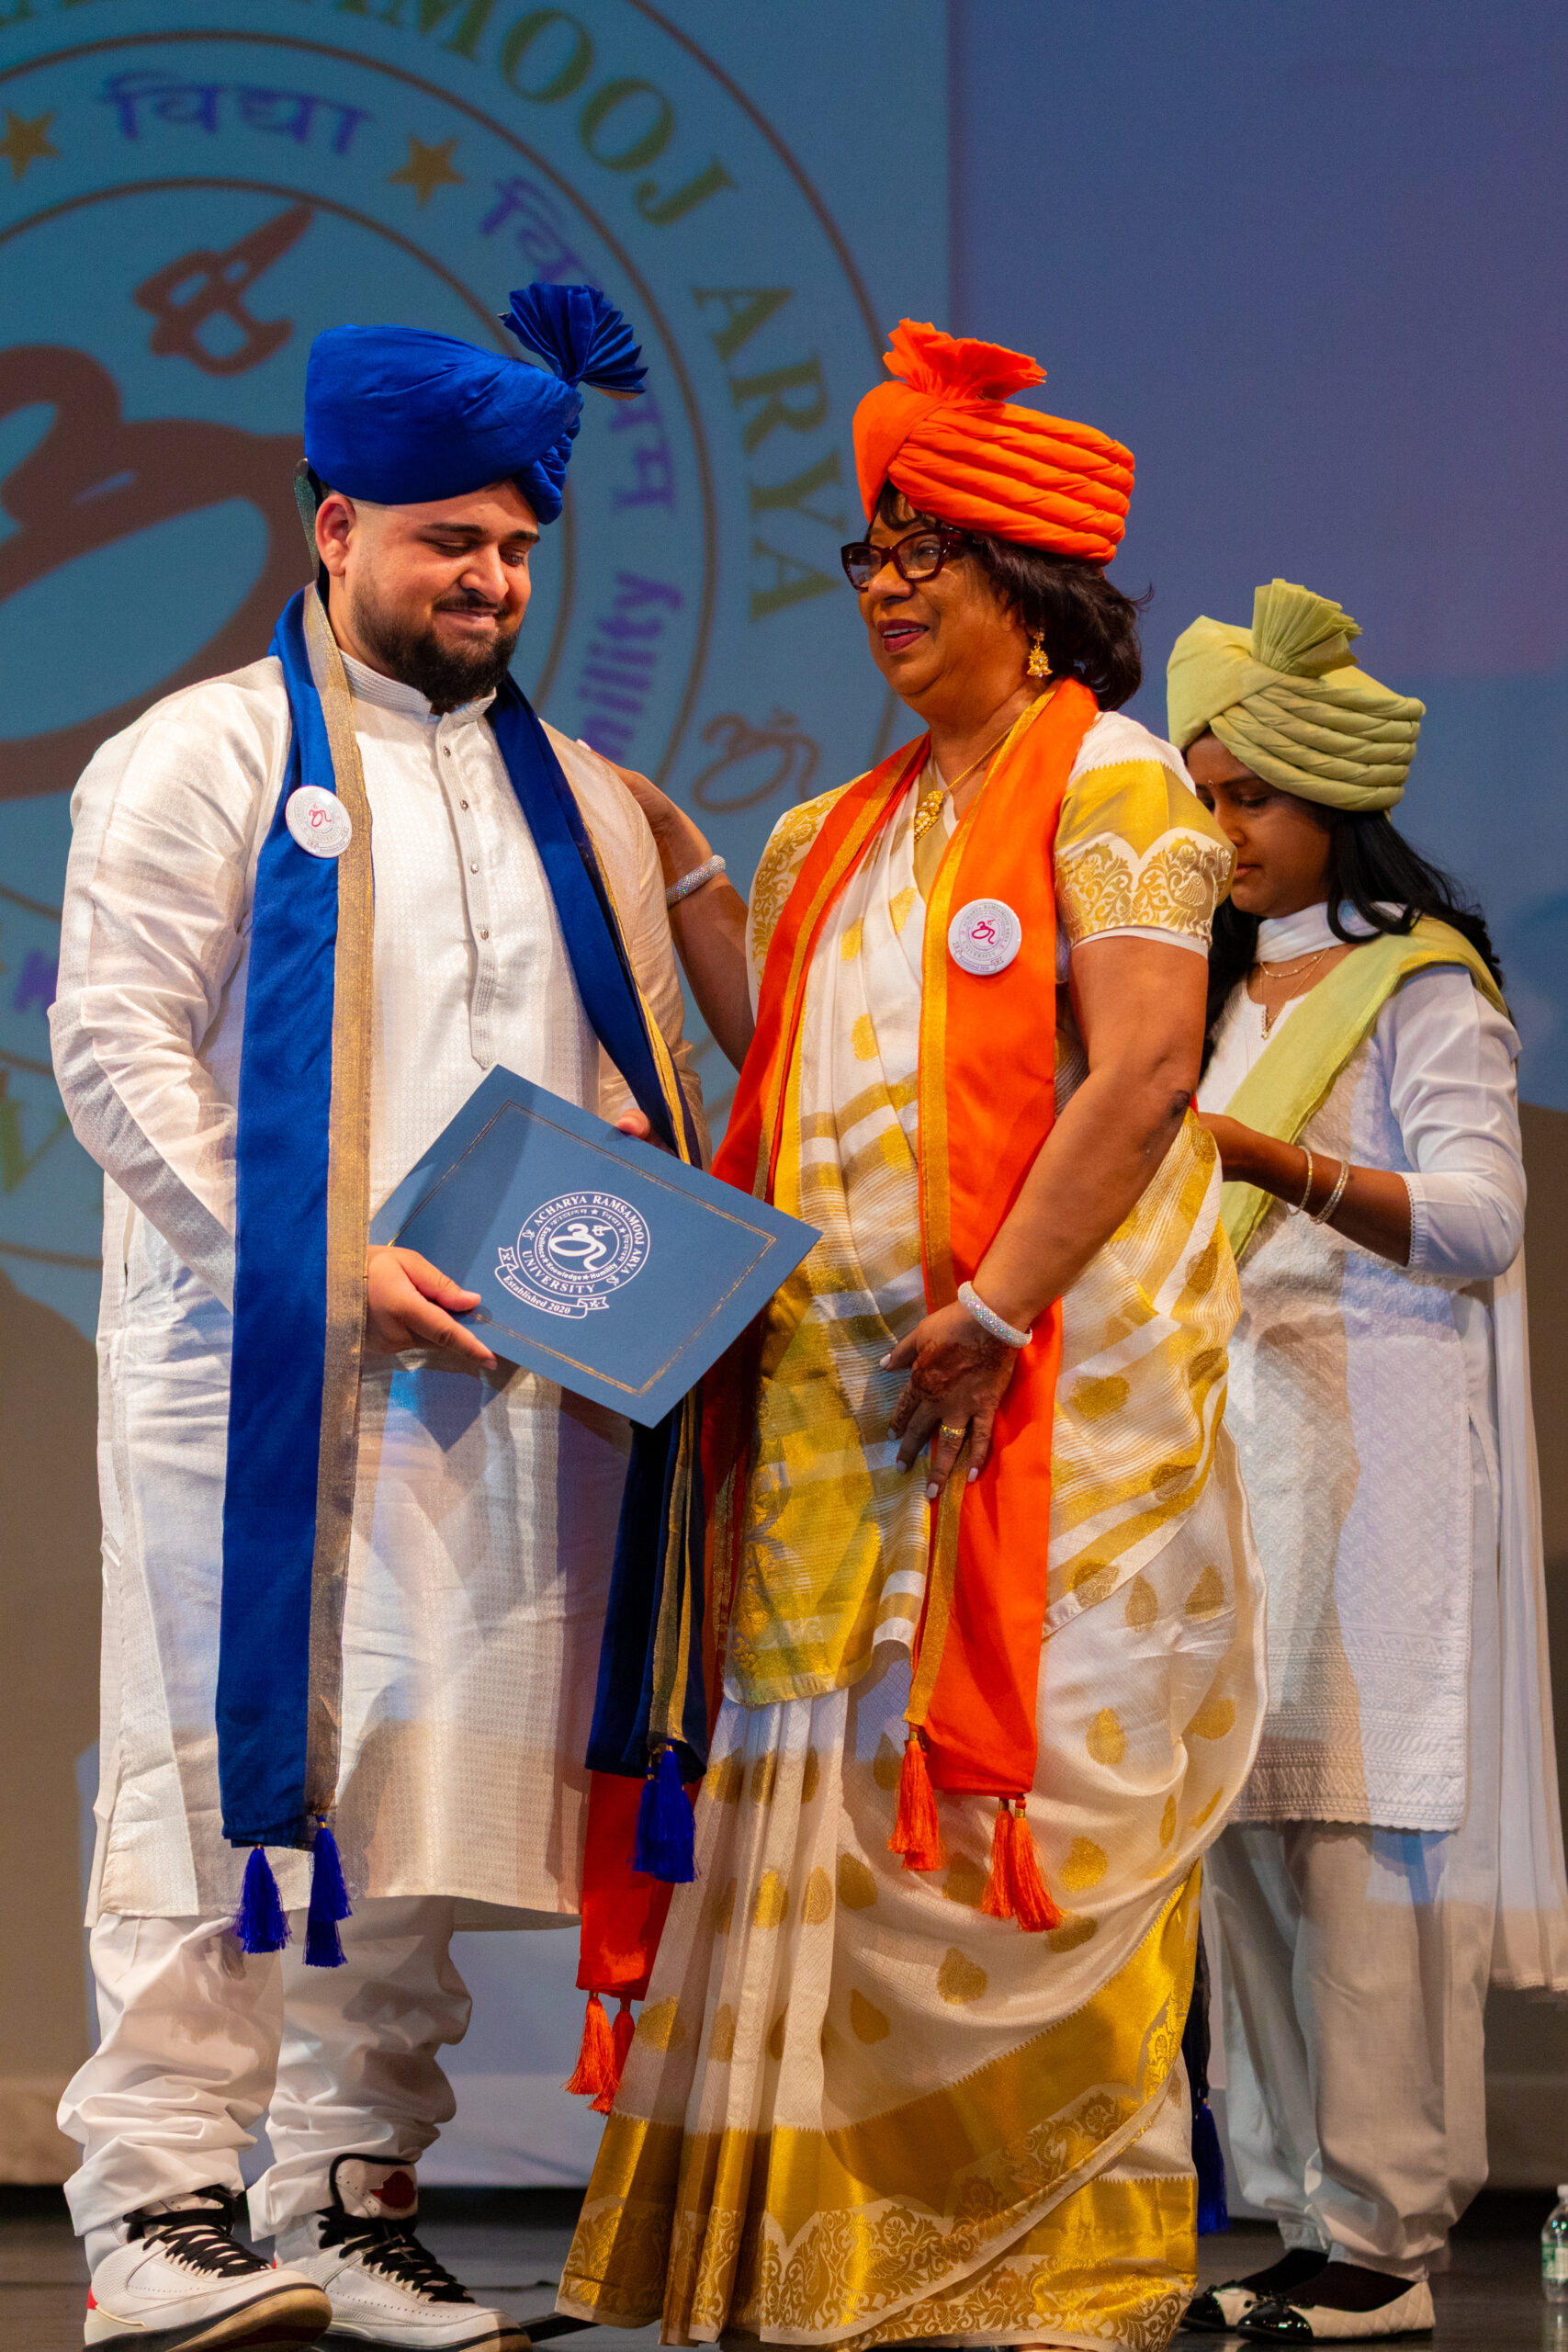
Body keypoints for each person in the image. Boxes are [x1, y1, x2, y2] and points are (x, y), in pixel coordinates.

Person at [557, 321, 1268, 2352]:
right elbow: (792, 1073)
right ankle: (819, 2260)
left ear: (1027, 580)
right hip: (837, 1429)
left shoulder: (1117, 783)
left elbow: (1141, 1073)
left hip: (1041, 1413)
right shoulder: (833, 830)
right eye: (867, 551)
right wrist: (679, 889)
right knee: (831, 1797)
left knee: (997, 1816)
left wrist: (992, 1309)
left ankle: (1029, 2271)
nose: (882, 584)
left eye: (923, 549)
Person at [51, 284, 706, 2352]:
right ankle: (155, 2206)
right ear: (332, 524)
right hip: (253, 1375)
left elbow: (637, 1074)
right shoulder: (201, 756)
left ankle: (345, 2194)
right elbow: (112, 1049)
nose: (489, 578)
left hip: (501, 1383)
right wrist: (319, 1261)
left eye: (515, 546)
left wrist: (623, 1201)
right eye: (449, 540)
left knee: (424, 1789)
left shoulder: (583, 800)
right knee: (223, 1782)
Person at [1169, 581, 1568, 2343]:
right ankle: (1292, 2212)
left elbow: (1482, 1221)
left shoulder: (1423, 987)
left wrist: (1275, 1162)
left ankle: (1388, 2238)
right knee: (1243, 1844)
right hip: (1228, 1454)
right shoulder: (1210, 986)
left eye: (1249, 796)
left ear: (1332, 797)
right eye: (1203, 798)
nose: (1221, 833)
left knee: (1357, 1849)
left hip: (1384, 1457)